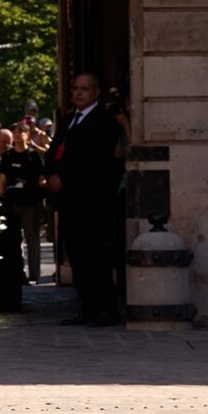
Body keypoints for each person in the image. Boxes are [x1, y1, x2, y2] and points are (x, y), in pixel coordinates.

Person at [45, 73, 122, 325]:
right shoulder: (68, 120)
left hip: (93, 202)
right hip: (69, 202)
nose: (78, 93)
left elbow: (97, 161)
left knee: (96, 256)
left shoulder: (104, 121)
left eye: (84, 89)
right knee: (76, 255)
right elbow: (53, 152)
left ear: (96, 92)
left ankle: (107, 310)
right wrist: (51, 174)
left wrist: (65, 178)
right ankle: (88, 307)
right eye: (76, 88)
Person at [0, 122, 45, 283]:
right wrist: (1, 197)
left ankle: (34, 275)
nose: (17, 134)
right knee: (13, 240)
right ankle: (18, 274)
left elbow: (42, 179)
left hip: (30, 203)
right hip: (12, 203)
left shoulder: (34, 155)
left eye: (21, 131)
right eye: (15, 132)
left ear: (28, 134)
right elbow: (2, 180)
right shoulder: (8, 156)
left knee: (32, 240)